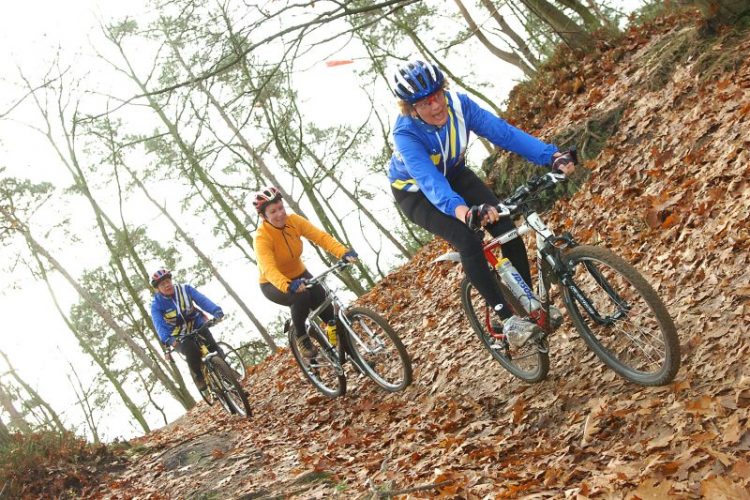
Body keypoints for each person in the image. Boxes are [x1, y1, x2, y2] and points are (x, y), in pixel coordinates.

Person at [388, 59, 576, 348]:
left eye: (437, 95)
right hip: (417, 194)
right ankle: (506, 318)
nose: (436, 106)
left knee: (505, 225)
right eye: (425, 103)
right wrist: (465, 213)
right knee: (468, 238)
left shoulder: (459, 106)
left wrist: (551, 156)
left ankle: (528, 304)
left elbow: (504, 133)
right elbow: (430, 183)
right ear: (411, 108)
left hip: (455, 173)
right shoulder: (406, 134)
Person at [252, 186, 358, 357]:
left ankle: (358, 361)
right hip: (273, 284)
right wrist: (288, 285)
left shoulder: (294, 221)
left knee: (330, 316)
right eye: (273, 212)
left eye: (280, 208)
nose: (279, 214)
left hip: (300, 274)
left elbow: (320, 236)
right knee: (300, 297)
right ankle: (302, 337)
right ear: (263, 217)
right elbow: (268, 268)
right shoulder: (262, 237)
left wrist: (342, 252)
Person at [149, 268, 224, 391]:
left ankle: (229, 378)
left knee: (214, 349)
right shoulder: (156, 304)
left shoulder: (185, 289)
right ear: (157, 289)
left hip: (197, 325)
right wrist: (168, 339)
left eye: (168, 281)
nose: (167, 285)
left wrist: (216, 311)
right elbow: (159, 324)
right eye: (163, 284)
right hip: (178, 336)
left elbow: (202, 300)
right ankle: (198, 376)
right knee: (191, 350)